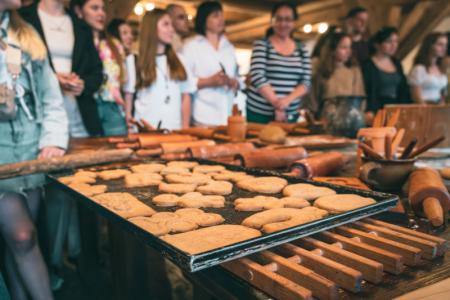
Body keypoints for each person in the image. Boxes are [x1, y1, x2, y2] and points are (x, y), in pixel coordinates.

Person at [0, 1, 69, 299]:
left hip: (31, 150)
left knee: (17, 242)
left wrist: (52, 141)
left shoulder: (25, 34)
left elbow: (51, 97)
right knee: (22, 235)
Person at [20, 0, 103, 138]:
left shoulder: (80, 24)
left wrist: (83, 84)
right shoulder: (23, 17)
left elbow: (97, 72)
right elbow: (15, 68)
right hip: (39, 120)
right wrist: (51, 79)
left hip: (80, 118)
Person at [246, 1, 311, 123]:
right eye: (279, 19)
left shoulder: (302, 49)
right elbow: (257, 76)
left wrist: (285, 102)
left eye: (288, 19)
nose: (283, 23)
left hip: (290, 114)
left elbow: (306, 83)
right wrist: (276, 103)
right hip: (260, 113)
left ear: (294, 22)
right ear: (272, 21)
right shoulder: (262, 45)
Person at [71, 0, 128, 136]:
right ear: (79, 11)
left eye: (103, 9)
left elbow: (122, 79)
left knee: (119, 152)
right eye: (94, 8)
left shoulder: (114, 44)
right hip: (85, 105)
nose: (101, 13)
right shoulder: (73, 42)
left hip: (112, 106)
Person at [181, 0, 241, 126]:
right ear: (204, 19)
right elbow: (183, 83)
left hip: (227, 116)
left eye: (221, 15)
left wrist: (233, 81)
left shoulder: (228, 47)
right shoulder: (191, 46)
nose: (221, 19)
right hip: (202, 116)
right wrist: (209, 81)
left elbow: (237, 77)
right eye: (215, 15)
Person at [134, 9, 195, 130]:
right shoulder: (135, 60)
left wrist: (185, 127)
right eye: (166, 24)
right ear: (151, 28)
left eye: (172, 25)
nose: (171, 29)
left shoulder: (181, 60)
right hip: (143, 128)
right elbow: (129, 98)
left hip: (173, 128)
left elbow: (185, 96)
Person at [312, 32, 365, 136]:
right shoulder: (322, 72)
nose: (348, 52)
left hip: (350, 122)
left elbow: (360, 101)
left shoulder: (354, 71)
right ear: (332, 49)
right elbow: (314, 101)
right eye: (343, 47)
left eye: (349, 47)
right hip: (327, 123)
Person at [362, 27, 411, 117]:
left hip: (396, 109)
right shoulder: (368, 65)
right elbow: (367, 91)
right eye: (389, 41)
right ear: (377, 44)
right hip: (376, 110)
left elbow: (403, 89)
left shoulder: (397, 63)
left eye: (396, 41)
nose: (394, 45)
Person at [107, 18, 136, 130]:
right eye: (124, 33)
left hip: (123, 110)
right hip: (110, 106)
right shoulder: (108, 58)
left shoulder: (130, 58)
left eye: (131, 33)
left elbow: (130, 90)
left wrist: (128, 114)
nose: (130, 37)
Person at [409, 32, 448, 104]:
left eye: (445, 45)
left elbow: (443, 93)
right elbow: (416, 97)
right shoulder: (419, 69)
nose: (444, 48)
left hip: (438, 108)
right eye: (440, 44)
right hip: (424, 107)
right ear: (430, 45)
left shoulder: (440, 68)